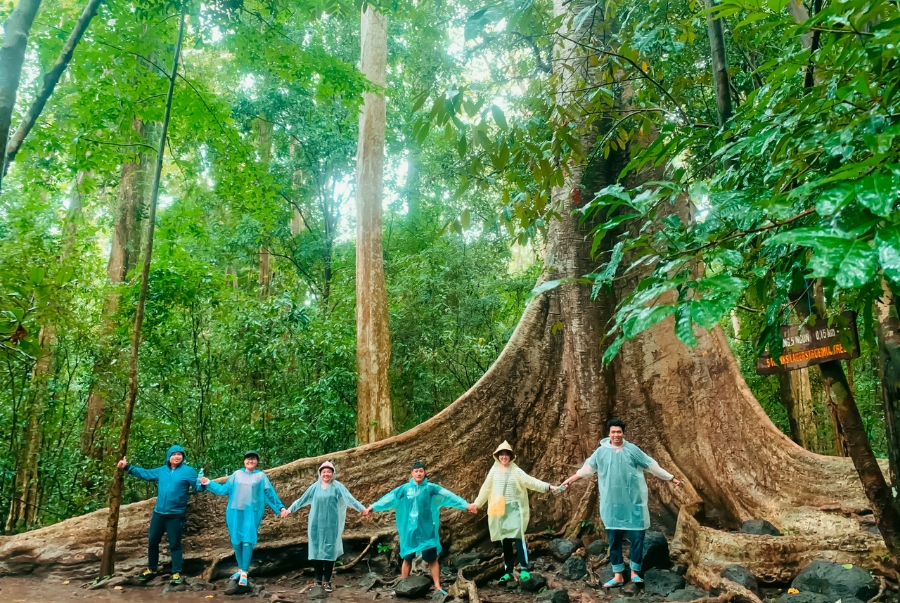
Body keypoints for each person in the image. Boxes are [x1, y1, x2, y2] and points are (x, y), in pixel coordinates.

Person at [560, 419, 680, 587]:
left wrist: (670, 478)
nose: (616, 435)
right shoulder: (601, 452)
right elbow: (586, 469)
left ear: (623, 433)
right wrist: (570, 480)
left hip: (633, 503)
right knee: (614, 540)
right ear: (609, 433)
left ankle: (635, 572)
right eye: (613, 432)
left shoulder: (632, 450)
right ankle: (618, 575)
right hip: (612, 504)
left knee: (637, 537)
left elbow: (651, 465)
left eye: (619, 432)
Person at [362, 461, 476, 595]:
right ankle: (403, 585)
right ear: (412, 473)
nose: (419, 473)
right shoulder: (404, 489)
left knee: (432, 559)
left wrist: (466, 505)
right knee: (407, 558)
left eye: (421, 471)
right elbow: (388, 498)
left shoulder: (431, 488)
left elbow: (448, 495)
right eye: (416, 471)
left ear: (425, 473)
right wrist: (372, 507)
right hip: (410, 530)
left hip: (427, 529)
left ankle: (437, 586)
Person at [468, 441, 559, 585]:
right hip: (500, 510)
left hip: (514, 509)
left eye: (506, 455)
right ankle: (508, 571)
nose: (504, 457)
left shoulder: (515, 470)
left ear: (510, 456)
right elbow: (486, 488)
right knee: (505, 542)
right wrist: (477, 504)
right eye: (501, 455)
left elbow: (530, 481)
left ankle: (524, 568)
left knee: (518, 539)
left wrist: (548, 487)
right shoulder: (494, 471)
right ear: (497, 456)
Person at [199, 450, 289, 587]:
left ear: (257, 461)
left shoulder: (260, 476)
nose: (250, 461)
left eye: (253, 459)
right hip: (235, 511)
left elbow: (269, 493)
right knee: (236, 541)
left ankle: (245, 572)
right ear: (244, 461)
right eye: (248, 458)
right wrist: (208, 483)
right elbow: (223, 490)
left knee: (247, 541)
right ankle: (241, 569)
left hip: (252, 512)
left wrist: (280, 508)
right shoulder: (237, 475)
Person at [116, 445, 198, 585]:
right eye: (174, 454)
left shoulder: (188, 472)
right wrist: (127, 467)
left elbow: (197, 487)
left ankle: (176, 573)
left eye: (180, 454)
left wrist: (203, 484)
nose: (177, 457)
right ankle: (152, 569)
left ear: (183, 457)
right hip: (159, 513)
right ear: (169, 456)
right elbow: (146, 474)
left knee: (175, 544)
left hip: (175, 514)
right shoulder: (162, 471)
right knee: (153, 541)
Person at [286, 461, 365, 592]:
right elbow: (302, 500)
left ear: (333, 473)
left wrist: (362, 509)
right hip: (315, 524)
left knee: (329, 553)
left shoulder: (337, 487)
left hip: (331, 525)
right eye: (324, 472)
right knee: (316, 552)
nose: (326, 474)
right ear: (320, 473)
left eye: (329, 472)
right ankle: (318, 581)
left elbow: (349, 498)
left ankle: (327, 582)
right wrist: (289, 510)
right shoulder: (314, 487)